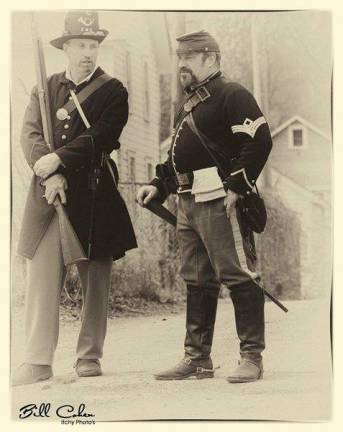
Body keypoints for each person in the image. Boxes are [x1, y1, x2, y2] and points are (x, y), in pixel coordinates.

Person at [137, 30, 273, 383]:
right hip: (187, 202)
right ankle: (197, 359)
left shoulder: (232, 94)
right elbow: (178, 156)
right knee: (196, 279)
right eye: (180, 57)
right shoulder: (188, 102)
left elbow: (258, 141)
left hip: (220, 200)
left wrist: (237, 188)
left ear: (211, 59)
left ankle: (252, 358)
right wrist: (158, 184)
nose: (182, 64)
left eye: (190, 57)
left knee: (237, 275)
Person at [12, 10, 137, 386]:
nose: (88, 52)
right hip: (49, 195)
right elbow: (29, 135)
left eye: (93, 45)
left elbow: (102, 136)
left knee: (95, 278)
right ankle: (36, 359)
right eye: (80, 44)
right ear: (65, 48)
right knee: (42, 276)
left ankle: (88, 355)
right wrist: (47, 171)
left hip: (92, 192)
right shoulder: (44, 87)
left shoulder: (114, 92)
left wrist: (60, 162)